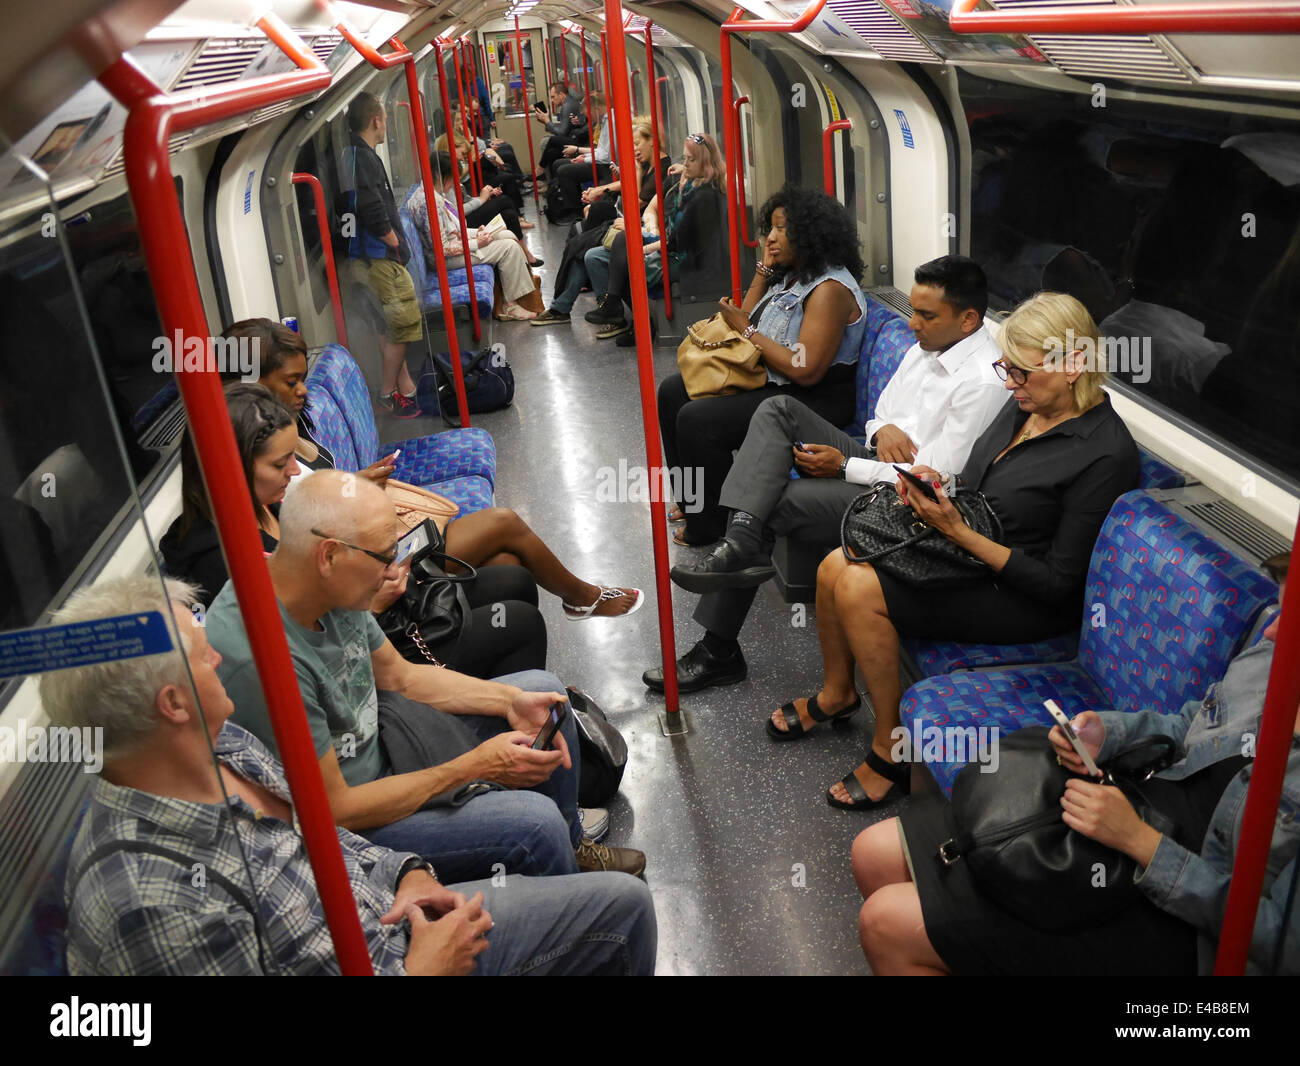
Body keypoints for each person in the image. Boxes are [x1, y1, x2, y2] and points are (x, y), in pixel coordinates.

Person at [45, 575, 657, 976]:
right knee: (622, 910)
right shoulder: (151, 904)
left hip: (390, 912)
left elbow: (318, 833)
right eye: (200, 653)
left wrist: (408, 872)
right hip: (402, 961)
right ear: (173, 705)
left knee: (540, 698)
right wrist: (422, 970)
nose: (217, 655)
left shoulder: (221, 745)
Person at [852, 553, 1298, 976]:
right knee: (873, 853)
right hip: (1131, 809)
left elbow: (1279, 942)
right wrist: (1108, 734)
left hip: (1182, 915)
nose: (1273, 632)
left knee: (886, 923)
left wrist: (1141, 843)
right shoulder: (1272, 658)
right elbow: (1190, 724)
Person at [779, 292, 1140, 811]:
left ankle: (891, 751)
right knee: (836, 561)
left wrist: (959, 531)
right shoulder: (1026, 406)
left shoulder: (1103, 452)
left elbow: (1058, 586)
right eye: (1006, 369)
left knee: (857, 585)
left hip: (1021, 598)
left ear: (1073, 365)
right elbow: (975, 482)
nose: (1010, 383)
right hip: (967, 553)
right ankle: (839, 692)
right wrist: (937, 486)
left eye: (1022, 371)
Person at [204, 471, 647, 880]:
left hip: (386, 737)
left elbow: (400, 677)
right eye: (384, 557)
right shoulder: (262, 659)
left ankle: (570, 847)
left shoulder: (320, 580)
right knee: (536, 825)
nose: (395, 572)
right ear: (330, 555)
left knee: (544, 694)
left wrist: (507, 701)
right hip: (355, 823)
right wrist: (474, 767)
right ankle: (564, 890)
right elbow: (335, 810)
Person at [646, 257, 1008, 693]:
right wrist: (883, 429)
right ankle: (740, 539)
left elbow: (936, 482)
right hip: (879, 460)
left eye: (927, 315)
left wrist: (844, 466)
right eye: (913, 311)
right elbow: (881, 415)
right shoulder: (929, 344)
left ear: (968, 319)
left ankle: (718, 648)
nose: (913, 324)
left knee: (772, 502)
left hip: (909, 499)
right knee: (777, 409)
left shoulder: (982, 382)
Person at [220, 319, 644, 625]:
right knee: (505, 523)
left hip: (371, 541)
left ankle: (515, 677)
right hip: (372, 564)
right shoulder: (252, 464)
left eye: (303, 379)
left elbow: (321, 501)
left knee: (506, 564)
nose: (302, 390)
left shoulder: (288, 432)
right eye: (290, 381)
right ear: (250, 382)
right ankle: (583, 598)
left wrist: (358, 483)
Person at [658, 185, 870, 545]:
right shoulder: (792, 274)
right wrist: (762, 274)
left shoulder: (829, 289)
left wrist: (748, 328)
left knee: (698, 421)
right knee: (673, 391)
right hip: (775, 380)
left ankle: (711, 525)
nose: (770, 238)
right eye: (769, 228)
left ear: (810, 233)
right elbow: (744, 319)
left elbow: (805, 368)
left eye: (782, 229)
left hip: (814, 398)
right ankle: (693, 500)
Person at [160, 383, 299, 606]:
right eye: (280, 464)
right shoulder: (219, 568)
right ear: (232, 469)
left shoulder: (266, 503)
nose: (295, 470)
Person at [586, 132, 728, 347]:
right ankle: (619, 307)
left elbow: (677, 241)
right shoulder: (693, 185)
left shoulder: (703, 196)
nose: (686, 165)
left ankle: (633, 319)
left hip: (690, 261)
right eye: (685, 159)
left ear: (705, 163)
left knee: (628, 261)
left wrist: (643, 250)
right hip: (680, 251)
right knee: (624, 242)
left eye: (692, 160)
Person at [533, 115, 672, 327]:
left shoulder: (659, 170)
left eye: (637, 144)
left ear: (652, 141)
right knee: (581, 245)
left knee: (582, 248)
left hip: (639, 230)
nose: (634, 149)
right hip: (630, 224)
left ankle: (570, 307)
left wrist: (633, 172)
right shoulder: (649, 166)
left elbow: (634, 207)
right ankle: (581, 306)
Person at [338, 91, 423, 419]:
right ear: (376, 120)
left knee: (386, 328)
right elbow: (372, 209)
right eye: (385, 119)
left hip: (370, 257)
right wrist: (395, 242)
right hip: (378, 257)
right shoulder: (362, 158)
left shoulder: (354, 154)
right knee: (404, 325)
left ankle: (406, 388)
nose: (386, 125)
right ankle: (388, 394)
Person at [408, 152, 539, 320]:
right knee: (510, 247)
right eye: (451, 177)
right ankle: (510, 306)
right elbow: (442, 248)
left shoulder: (432, 195)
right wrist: (477, 242)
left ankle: (513, 294)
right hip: (445, 259)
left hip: (455, 247)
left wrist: (476, 232)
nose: (454, 182)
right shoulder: (428, 203)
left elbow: (451, 230)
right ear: (440, 176)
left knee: (507, 233)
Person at [436, 109, 526, 212]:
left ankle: (510, 174)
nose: (462, 122)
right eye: (458, 120)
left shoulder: (460, 137)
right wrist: (472, 158)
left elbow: (479, 145)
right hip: (469, 182)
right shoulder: (444, 147)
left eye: (462, 119)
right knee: (506, 178)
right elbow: (461, 175)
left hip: (473, 178)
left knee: (504, 159)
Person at [548, 91, 615, 224]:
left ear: (595, 109)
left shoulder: (610, 122)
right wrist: (585, 155)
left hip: (608, 165)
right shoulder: (604, 121)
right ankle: (570, 204)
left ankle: (575, 211)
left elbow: (606, 155)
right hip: (603, 160)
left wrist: (584, 158)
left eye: (588, 114)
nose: (589, 118)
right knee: (559, 164)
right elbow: (602, 150)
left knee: (564, 170)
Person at [535, 83, 589, 172]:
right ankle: (552, 182)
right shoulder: (570, 102)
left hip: (579, 139)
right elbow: (564, 127)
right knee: (551, 152)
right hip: (575, 136)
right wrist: (546, 122)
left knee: (551, 140)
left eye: (553, 97)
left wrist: (547, 121)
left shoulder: (567, 105)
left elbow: (562, 133)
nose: (552, 100)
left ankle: (540, 169)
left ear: (561, 95)